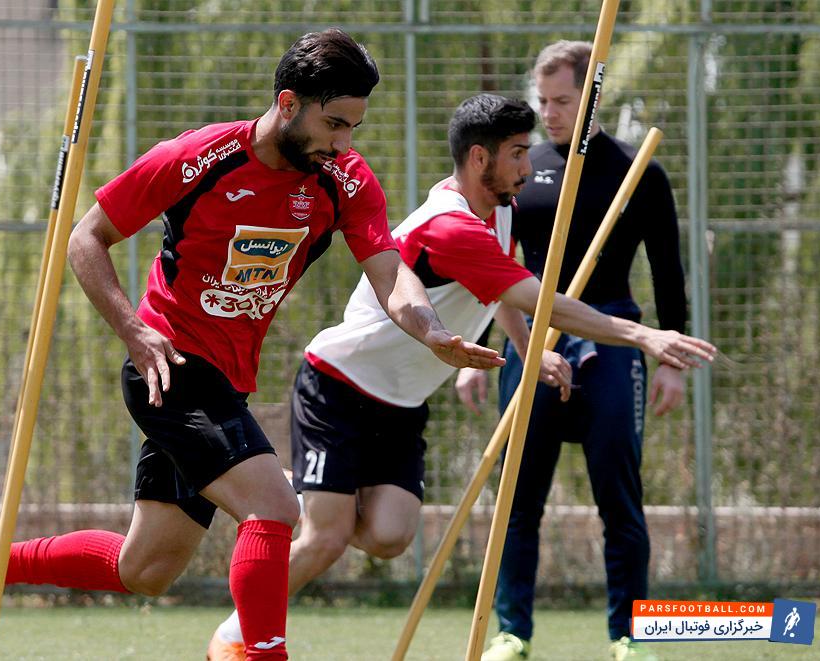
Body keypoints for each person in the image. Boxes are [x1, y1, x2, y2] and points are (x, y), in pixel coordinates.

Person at [0, 30, 507, 659]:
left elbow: (388, 269)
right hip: (169, 366)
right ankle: (262, 654)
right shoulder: (197, 158)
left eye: (354, 127)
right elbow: (85, 238)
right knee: (274, 507)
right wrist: (133, 329)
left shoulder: (343, 179)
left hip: (227, 381)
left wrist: (430, 332)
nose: (345, 143)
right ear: (288, 104)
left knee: (146, 568)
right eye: (335, 124)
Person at [208, 93, 715, 660]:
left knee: (389, 536)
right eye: (519, 154)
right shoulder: (450, 227)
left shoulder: (498, 209)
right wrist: (645, 335)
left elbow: (497, 292)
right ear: (480, 159)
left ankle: (305, 487)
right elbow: (537, 297)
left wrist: (530, 349)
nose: (530, 167)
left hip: (401, 402)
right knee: (324, 539)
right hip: (339, 384)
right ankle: (235, 637)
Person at [455, 41, 690, 661]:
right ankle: (513, 631)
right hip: (532, 341)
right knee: (517, 497)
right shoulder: (519, 172)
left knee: (619, 495)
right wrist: (480, 347)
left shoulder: (636, 170)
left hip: (614, 337)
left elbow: (668, 273)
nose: (551, 112)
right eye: (544, 100)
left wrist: (670, 365)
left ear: (593, 95)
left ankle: (629, 634)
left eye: (564, 100)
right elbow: (491, 268)